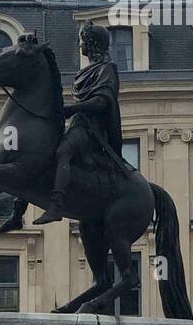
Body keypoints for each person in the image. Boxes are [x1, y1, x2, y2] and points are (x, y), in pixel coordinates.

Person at [34, 21, 125, 225]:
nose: (80, 44)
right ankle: (17, 212)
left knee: (62, 152)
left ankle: (56, 205)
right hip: (78, 124)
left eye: (83, 40)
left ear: (92, 43)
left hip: (91, 130)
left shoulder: (106, 69)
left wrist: (72, 108)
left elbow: (102, 102)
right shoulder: (88, 71)